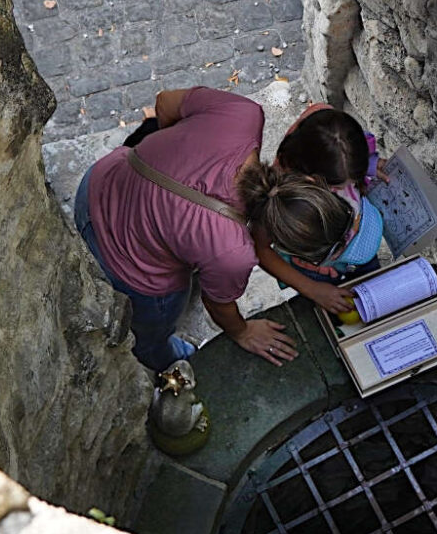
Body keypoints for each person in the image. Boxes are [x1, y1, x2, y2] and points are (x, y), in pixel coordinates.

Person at [74, 86, 298, 369]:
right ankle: (170, 359)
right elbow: (218, 305)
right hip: (127, 269)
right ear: (273, 234)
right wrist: (242, 332)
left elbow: (164, 102)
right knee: (152, 341)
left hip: (96, 187)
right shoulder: (232, 252)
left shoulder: (244, 114)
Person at [248, 105, 388, 315]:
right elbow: (261, 248)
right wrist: (313, 289)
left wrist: (369, 165)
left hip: (360, 245)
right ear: (312, 180)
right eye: (342, 185)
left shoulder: (328, 132)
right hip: (316, 271)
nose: (350, 184)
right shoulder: (282, 199)